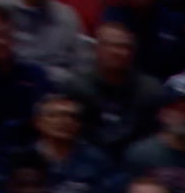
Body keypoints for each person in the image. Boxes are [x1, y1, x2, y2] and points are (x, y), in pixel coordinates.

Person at [63, 24, 161, 159]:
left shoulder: (150, 89)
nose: (118, 52)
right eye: (111, 45)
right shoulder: (76, 87)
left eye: (125, 47)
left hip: (137, 159)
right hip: (88, 159)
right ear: (96, 49)